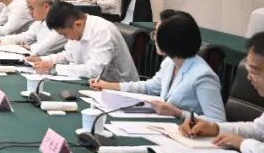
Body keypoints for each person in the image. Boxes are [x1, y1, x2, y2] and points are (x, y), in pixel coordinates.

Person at [91, 10, 225, 120]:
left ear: (172, 39)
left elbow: (218, 121)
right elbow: (149, 87)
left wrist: (179, 113)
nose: (154, 38)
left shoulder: (203, 75)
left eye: (157, 33)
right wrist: (108, 86)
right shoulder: (170, 62)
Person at [29, 1, 139, 83]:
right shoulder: (77, 29)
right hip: (93, 85)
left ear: (77, 24)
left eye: (65, 34)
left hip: (119, 91)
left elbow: (94, 70)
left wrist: (54, 68)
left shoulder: (102, 31)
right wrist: (43, 60)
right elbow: (69, 55)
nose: (67, 38)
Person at [0, 0, 66, 56]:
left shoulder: (60, 21)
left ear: (46, 7)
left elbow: (44, 47)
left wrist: (30, 47)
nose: (29, 12)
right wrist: (0, 40)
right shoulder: (39, 22)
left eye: (32, 8)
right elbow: (25, 37)